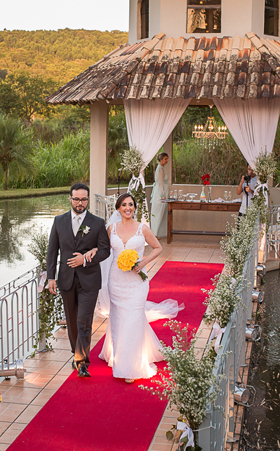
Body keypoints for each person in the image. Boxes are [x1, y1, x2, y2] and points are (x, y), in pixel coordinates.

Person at [98, 193, 181, 383]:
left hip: (136, 282)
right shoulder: (111, 228)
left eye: (131, 205)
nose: (128, 208)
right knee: (119, 318)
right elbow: (103, 249)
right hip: (116, 281)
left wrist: (143, 263)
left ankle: (132, 364)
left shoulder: (142, 228)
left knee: (134, 318)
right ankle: (117, 355)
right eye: (124, 205)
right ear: (118, 208)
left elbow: (158, 247)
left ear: (134, 208)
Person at [47, 183, 111, 378]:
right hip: (66, 280)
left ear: (87, 200)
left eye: (83, 199)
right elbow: (52, 251)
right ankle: (76, 354)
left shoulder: (98, 223)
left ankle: (82, 362)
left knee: (84, 320)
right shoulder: (59, 221)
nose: (80, 203)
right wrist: (51, 277)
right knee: (73, 322)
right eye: (76, 199)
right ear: (70, 198)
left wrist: (84, 258)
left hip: (89, 280)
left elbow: (105, 250)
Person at [149, 152, 170, 238]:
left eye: (167, 159)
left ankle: (158, 232)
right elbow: (160, 183)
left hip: (162, 190)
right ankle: (155, 233)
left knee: (162, 212)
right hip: (160, 193)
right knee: (158, 212)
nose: (167, 160)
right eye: (165, 159)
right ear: (161, 160)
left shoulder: (162, 168)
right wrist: (163, 195)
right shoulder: (160, 169)